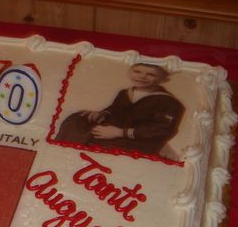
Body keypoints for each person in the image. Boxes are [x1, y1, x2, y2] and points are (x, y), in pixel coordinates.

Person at [55, 63, 184, 157]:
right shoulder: (124, 93)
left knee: (94, 144)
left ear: (163, 79)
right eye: (137, 71)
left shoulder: (168, 102)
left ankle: (74, 155)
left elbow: (163, 129)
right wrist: (102, 114)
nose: (142, 77)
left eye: (151, 74)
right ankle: (59, 153)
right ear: (130, 72)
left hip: (137, 141)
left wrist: (120, 132)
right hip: (113, 131)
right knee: (77, 118)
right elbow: (115, 110)